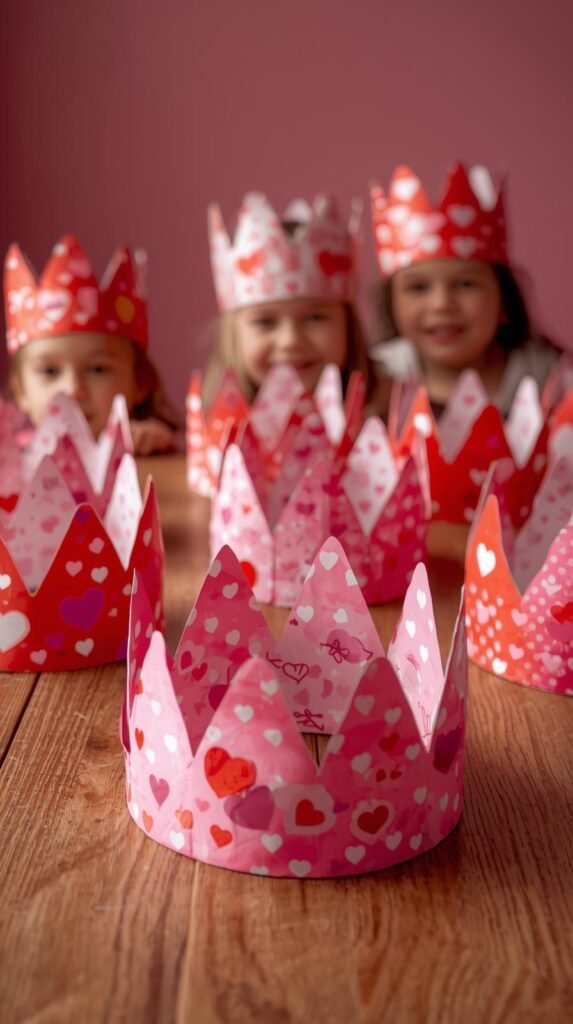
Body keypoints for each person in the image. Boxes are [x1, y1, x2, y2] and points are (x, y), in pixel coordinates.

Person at [369, 163, 560, 416]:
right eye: (418, 287)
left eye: (465, 284)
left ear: (503, 298)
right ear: (391, 303)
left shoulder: (549, 378)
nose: (441, 304)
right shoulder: (377, 380)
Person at [201, 192, 379, 409]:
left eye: (315, 317)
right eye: (265, 322)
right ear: (234, 335)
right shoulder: (211, 437)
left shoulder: (391, 422)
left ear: (348, 325)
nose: (290, 340)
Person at [4, 235, 179, 454]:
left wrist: (157, 446)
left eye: (97, 369)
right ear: (20, 391)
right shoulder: (11, 461)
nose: (73, 390)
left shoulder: (143, 446)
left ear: (140, 382)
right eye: (49, 371)